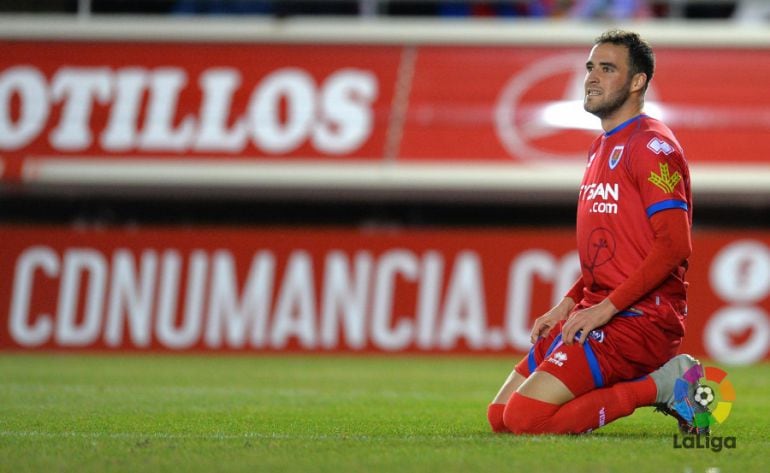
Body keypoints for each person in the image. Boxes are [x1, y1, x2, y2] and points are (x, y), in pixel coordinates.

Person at [487, 29, 709, 435]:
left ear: (637, 81)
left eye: (607, 69)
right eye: (591, 67)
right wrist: (567, 304)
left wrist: (605, 309)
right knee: (500, 418)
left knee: (526, 419)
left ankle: (665, 385)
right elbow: (612, 255)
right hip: (598, 309)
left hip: (641, 318)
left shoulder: (652, 146)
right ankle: (591, 408)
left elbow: (675, 245)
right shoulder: (600, 146)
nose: (592, 77)